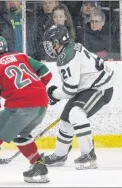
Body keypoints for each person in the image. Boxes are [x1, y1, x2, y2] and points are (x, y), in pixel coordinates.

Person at [0, 36, 53, 188]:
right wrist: (35, 91)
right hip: (41, 104)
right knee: (21, 135)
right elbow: (46, 74)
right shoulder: (21, 56)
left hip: (20, 106)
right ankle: (38, 166)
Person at [43, 24, 114, 170]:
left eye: (51, 42)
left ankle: (89, 155)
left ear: (58, 41)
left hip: (100, 87)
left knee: (76, 113)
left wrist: (53, 94)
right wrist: (55, 94)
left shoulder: (66, 56)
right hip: (87, 87)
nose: (49, 46)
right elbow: (73, 86)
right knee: (66, 119)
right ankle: (60, 155)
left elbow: (69, 90)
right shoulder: (69, 48)